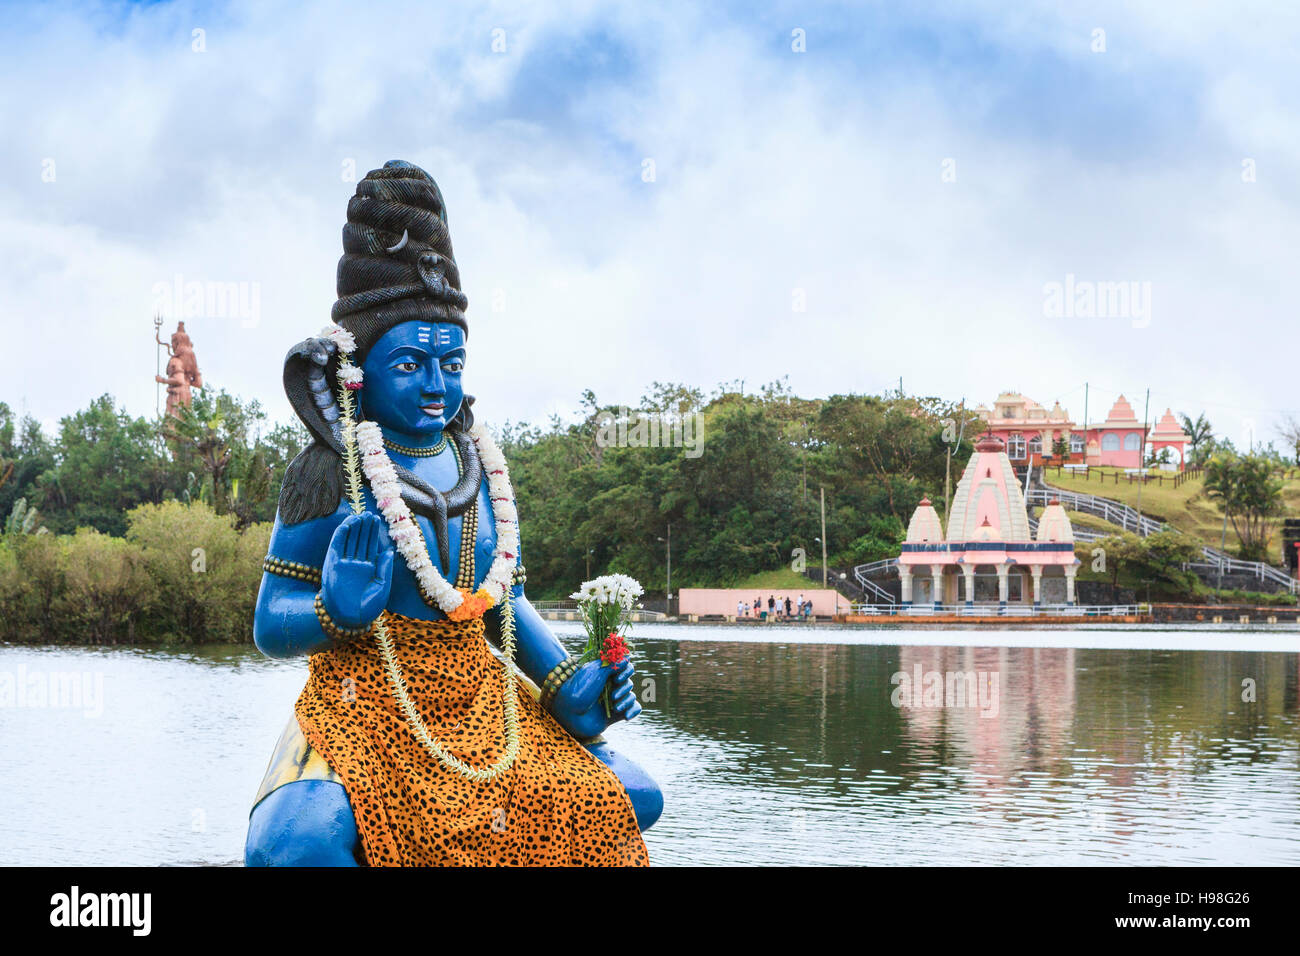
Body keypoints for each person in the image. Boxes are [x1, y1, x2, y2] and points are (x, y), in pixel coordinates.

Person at [244, 161, 657, 867]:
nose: (437, 386)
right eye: (409, 366)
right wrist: (334, 613)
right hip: (363, 701)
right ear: (356, 372)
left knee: (630, 796)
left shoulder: (476, 462)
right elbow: (269, 622)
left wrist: (568, 685)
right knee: (297, 846)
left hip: (480, 701)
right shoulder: (333, 468)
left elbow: (503, 600)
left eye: (453, 363)